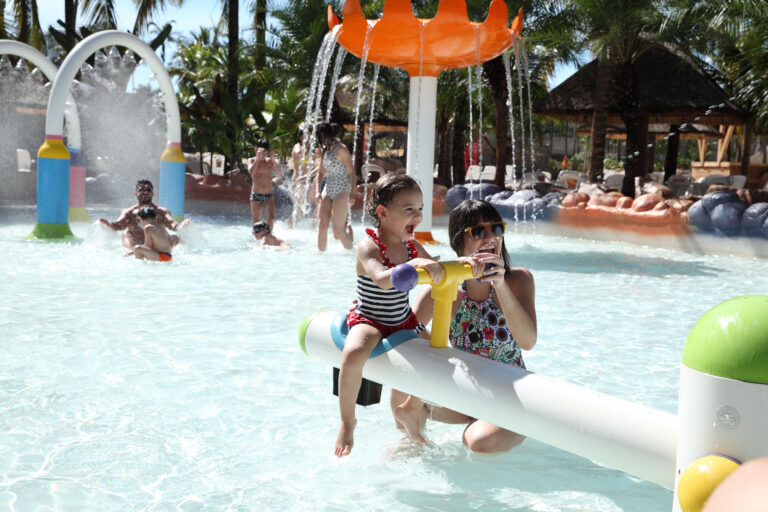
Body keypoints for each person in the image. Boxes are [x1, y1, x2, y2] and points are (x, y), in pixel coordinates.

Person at [334, 174, 483, 458]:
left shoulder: (412, 246)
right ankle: (347, 421)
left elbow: (436, 267)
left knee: (440, 360)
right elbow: (381, 279)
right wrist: (415, 264)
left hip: (404, 321)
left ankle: (410, 408)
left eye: (420, 208)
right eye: (409, 209)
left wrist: (463, 263)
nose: (417, 215)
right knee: (353, 354)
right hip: (371, 320)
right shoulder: (370, 246)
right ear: (383, 213)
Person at [391, 199, 537, 454]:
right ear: (459, 242)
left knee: (478, 442)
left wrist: (499, 285)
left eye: (496, 229)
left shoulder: (518, 280)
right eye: (479, 232)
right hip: (465, 394)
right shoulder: (447, 285)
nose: (490, 237)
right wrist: (380, 307)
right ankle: (413, 448)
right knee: (401, 380)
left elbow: (528, 341)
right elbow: (404, 330)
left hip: (509, 395)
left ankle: (487, 427)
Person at [98, 179, 190, 249]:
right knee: (125, 234)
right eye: (141, 190)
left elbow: (172, 224)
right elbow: (118, 225)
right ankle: (132, 251)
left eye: (148, 190)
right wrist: (108, 224)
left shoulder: (161, 211)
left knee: (175, 237)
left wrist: (181, 226)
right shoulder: (129, 212)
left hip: (157, 245)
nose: (145, 192)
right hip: (137, 245)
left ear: (152, 193)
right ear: (136, 193)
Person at [315, 122, 355, 251]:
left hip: (342, 189)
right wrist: (317, 191)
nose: (320, 139)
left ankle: (352, 256)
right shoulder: (325, 150)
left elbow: (352, 172)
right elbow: (321, 172)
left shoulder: (341, 149)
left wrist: (352, 193)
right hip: (329, 187)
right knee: (322, 225)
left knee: (338, 230)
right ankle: (320, 256)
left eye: (322, 136)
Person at [248, 139, 281, 232]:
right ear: (256, 150)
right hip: (256, 195)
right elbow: (251, 172)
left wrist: (273, 160)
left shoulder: (269, 161)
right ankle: (257, 239)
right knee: (256, 221)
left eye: (265, 152)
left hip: (268, 195)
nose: (264, 154)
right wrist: (258, 159)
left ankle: (269, 238)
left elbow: (279, 175)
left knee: (271, 218)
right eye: (261, 152)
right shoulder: (251, 160)